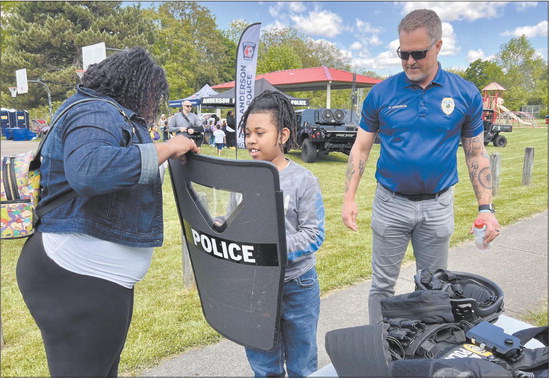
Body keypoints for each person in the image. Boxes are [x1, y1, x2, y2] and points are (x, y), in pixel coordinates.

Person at [16, 47, 199, 377]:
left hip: (89, 279)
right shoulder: (98, 113)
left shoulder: (100, 110)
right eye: (153, 95)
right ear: (136, 87)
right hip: (77, 277)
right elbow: (90, 170)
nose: (153, 104)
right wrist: (167, 147)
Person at [341, 9, 500, 324]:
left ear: (438, 46)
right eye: (403, 53)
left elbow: (476, 153)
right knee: (382, 285)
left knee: (433, 286)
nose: (410, 61)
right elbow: (361, 147)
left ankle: (425, 349)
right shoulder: (382, 93)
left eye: (418, 53)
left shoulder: (464, 93)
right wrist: (349, 197)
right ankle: (380, 348)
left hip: (438, 207)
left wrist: (486, 207)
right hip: (390, 204)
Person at [241, 90, 325, 377]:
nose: (251, 139)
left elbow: (313, 235)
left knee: (303, 364)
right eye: (247, 132)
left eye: (259, 133)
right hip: (255, 285)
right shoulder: (242, 178)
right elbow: (232, 221)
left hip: (297, 285)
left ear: (283, 135)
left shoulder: (303, 180)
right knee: (264, 365)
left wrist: (272, 248)